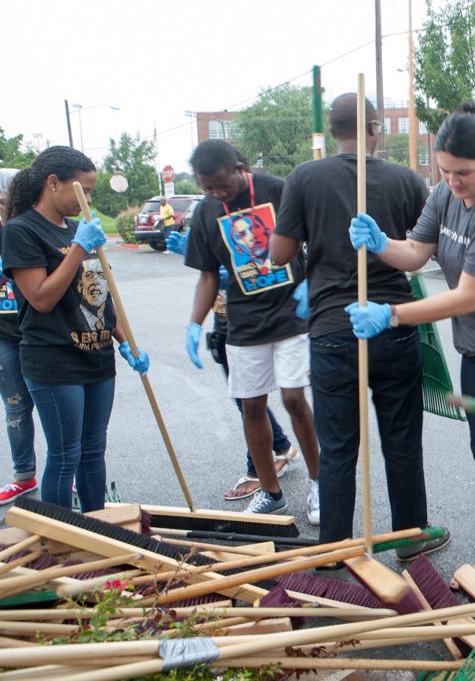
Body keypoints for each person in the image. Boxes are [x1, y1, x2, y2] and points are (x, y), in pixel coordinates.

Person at [347, 101, 475, 570]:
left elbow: (465, 298)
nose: (453, 183)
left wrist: (392, 314)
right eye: (444, 171)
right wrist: (382, 244)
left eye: (463, 173)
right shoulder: (444, 195)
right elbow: (416, 252)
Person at [270, 93, 448, 561]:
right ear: (374, 127)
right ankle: (410, 538)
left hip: (333, 329)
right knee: (402, 442)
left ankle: (334, 549)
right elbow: (422, 248)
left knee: (338, 447)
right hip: (392, 323)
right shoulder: (407, 180)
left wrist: (313, 242)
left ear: (334, 131)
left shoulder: (305, 177)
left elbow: (278, 254)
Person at [1, 147, 148, 513]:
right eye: (84, 189)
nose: (90, 198)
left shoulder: (78, 229)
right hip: (54, 361)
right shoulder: (21, 231)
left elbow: (100, 297)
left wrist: (127, 343)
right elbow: (40, 298)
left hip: (97, 356)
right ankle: (61, 541)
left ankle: (95, 530)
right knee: (66, 454)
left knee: (93, 451)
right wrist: (80, 247)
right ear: (53, 183)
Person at [184, 140, 319, 520]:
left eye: (220, 184)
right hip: (243, 321)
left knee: (294, 399)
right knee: (251, 406)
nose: (215, 192)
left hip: (291, 312)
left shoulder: (278, 190)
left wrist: (312, 281)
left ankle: (318, 482)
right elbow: (208, 276)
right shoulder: (206, 212)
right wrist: (195, 323)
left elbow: (316, 239)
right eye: (206, 186)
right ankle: (271, 492)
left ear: (240, 167)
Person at [0, 170, 38, 504]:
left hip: (37, 331)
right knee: (16, 407)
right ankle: (24, 476)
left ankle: (63, 470)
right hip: (4, 335)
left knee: (53, 407)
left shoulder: (28, 231)